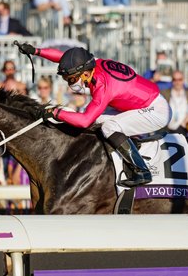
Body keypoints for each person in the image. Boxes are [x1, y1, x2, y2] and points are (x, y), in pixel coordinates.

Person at [17, 43, 172, 187]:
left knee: (109, 127)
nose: (69, 83)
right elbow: (63, 57)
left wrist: (55, 112)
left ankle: (142, 171)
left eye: (71, 79)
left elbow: (84, 121)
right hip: (144, 102)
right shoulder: (91, 63)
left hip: (157, 110)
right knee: (96, 120)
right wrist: (36, 51)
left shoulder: (102, 85)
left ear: (85, 73)